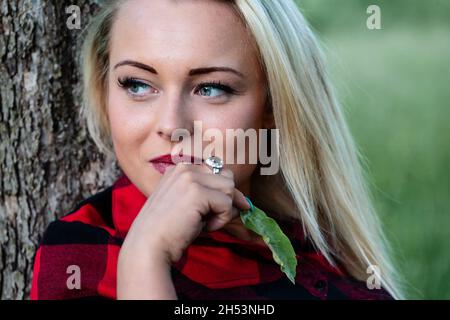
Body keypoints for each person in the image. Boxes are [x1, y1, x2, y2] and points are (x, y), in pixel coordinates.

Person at [31, 0, 403, 300]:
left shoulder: (322, 255)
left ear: (274, 106)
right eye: (138, 84)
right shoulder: (78, 259)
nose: (172, 124)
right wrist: (144, 262)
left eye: (211, 89)